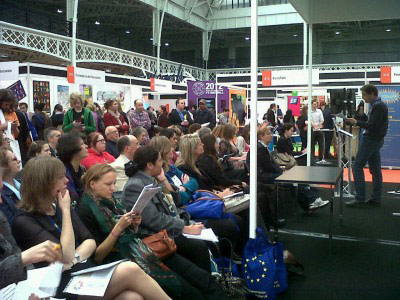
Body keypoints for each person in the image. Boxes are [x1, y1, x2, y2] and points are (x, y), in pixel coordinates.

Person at [13, 157, 167, 300]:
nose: (66, 180)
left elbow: (90, 241)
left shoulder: (58, 205)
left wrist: (74, 260)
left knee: (132, 297)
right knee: (129, 269)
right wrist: (66, 212)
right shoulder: (24, 221)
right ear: (45, 183)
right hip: (62, 287)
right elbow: (64, 255)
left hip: (85, 272)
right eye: (61, 178)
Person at [77, 164, 226, 299]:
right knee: (189, 292)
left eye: (114, 183)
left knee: (202, 278)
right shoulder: (85, 210)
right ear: (93, 184)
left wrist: (134, 225)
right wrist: (119, 229)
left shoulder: (110, 201)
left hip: (142, 249)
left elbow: (130, 233)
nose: (113, 188)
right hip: (127, 259)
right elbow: (97, 257)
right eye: (109, 184)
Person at [122, 146, 212, 273]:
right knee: (199, 248)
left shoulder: (150, 179)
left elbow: (174, 203)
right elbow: (153, 220)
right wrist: (184, 228)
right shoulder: (135, 186)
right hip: (156, 237)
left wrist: (186, 222)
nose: (162, 163)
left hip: (168, 228)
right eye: (159, 161)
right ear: (150, 165)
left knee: (206, 237)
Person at [345, 84, 388, 207]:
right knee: (375, 170)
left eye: (364, 94)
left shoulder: (378, 106)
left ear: (371, 94)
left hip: (372, 140)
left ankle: (360, 198)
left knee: (357, 166)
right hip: (375, 140)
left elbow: (373, 126)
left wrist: (357, 122)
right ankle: (375, 199)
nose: (363, 98)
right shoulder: (377, 105)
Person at [149, 136, 198, 205]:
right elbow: (181, 200)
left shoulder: (171, 167)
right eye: (170, 147)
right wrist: (187, 189)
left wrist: (184, 187)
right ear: (164, 151)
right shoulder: (160, 174)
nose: (173, 149)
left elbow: (194, 182)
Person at [57, 132, 88, 204]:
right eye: (82, 144)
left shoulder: (82, 169)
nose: (86, 146)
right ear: (72, 147)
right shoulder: (62, 172)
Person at [0, 148, 22, 224]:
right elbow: (12, 226)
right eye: (14, 159)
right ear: (3, 166)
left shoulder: (24, 183)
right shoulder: (1, 197)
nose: (19, 161)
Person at [0, 89, 21, 162]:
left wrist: (14, 128)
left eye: (9, 105)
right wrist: (3, 126)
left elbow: (17, 135)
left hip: (10, 147)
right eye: (6, 104)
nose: (8, 107)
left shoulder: (12, 113)